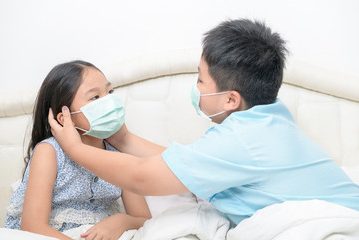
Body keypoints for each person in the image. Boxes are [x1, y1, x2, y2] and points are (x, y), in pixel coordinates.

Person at [48, 19, 359, 226]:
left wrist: (76, 149)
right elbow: (183, 162)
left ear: (230, 100)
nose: (195, 88)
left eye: (200, 80)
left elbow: (142, 178)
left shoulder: (239, 141)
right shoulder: (269, 116)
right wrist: (122, 139)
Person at [5, 60, 151, 240]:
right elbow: (32, 226)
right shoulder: (49, 152)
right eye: (95, 97)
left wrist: (120, 221)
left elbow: (144, 219)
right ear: (65, 118)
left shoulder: (118, 153)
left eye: (110, 92)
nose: (109, 101)